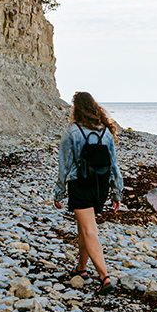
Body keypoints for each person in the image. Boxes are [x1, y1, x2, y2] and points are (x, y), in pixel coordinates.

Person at [53, 91, 123, 295]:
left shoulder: (72, 132)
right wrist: (116, 192)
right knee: (83, 228)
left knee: (89, 231)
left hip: (80, 185)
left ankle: (104, 277)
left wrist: (58, 193)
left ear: (77, 109)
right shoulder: (105, 132)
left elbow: (64, 167)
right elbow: (114, 165)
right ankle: (81, 269)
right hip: (100, 185)